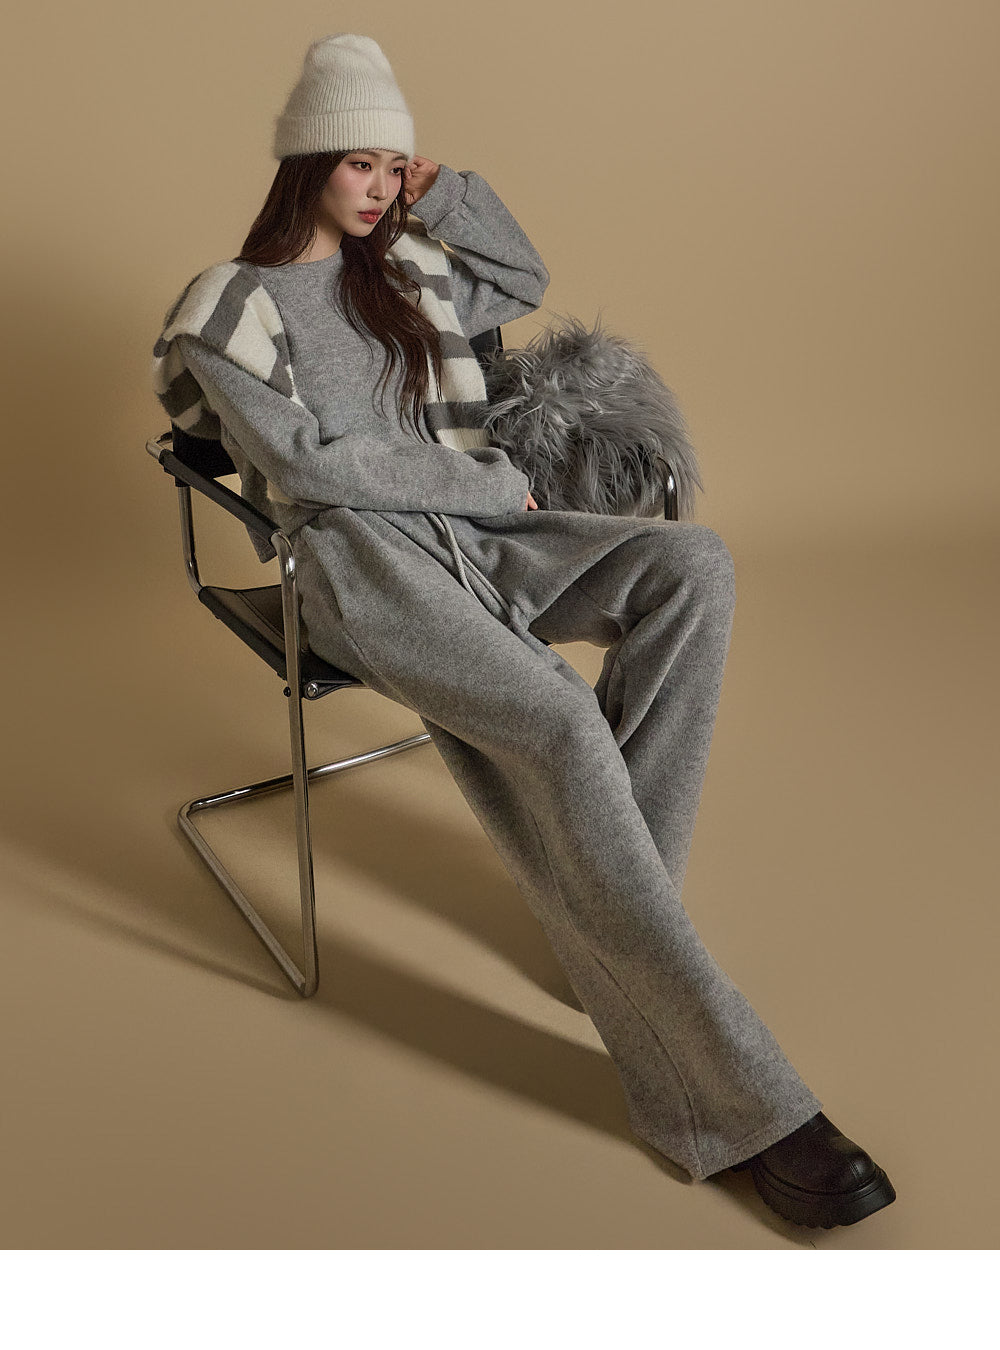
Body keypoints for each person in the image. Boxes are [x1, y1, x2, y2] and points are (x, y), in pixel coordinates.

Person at [152, 32, 896, 1230]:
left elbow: (524, 272)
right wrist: (484, 484)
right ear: (304, 163)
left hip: (486, 541)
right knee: (556, 717)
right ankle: (734, 1108)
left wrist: (442, 189)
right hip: (359, 564)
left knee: (691, 567)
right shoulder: (228, 305)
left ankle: (602, 931)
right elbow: (305, 462)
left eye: (392, 166)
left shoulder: (407, 271)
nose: (378, 187)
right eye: (358, 163)